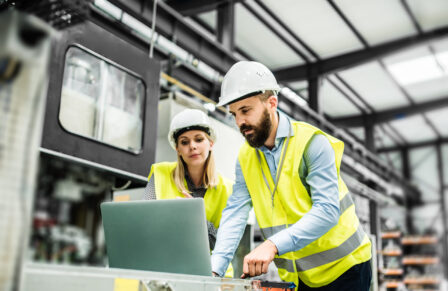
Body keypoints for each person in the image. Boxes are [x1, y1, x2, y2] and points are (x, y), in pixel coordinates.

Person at [211, 61, 372, 290]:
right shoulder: (245, 158)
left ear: (272, 103)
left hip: (346, 268)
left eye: (246, 110)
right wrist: (215, 267)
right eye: (234, 113)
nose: (239, 122)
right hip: (301, 275)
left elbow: (327, 211)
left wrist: (272, 245)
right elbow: (236, 211)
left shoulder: (312, 144)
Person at [144, 108, 234, 277]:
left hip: (212, 274)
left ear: (211, 143)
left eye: (199, 139)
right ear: (178, 149)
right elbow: (145, 223)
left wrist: (196, 218)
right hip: (166, 270)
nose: (192, 146)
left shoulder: (228, 188)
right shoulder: (160, 173)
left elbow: (224, 243)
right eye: (184, 142)